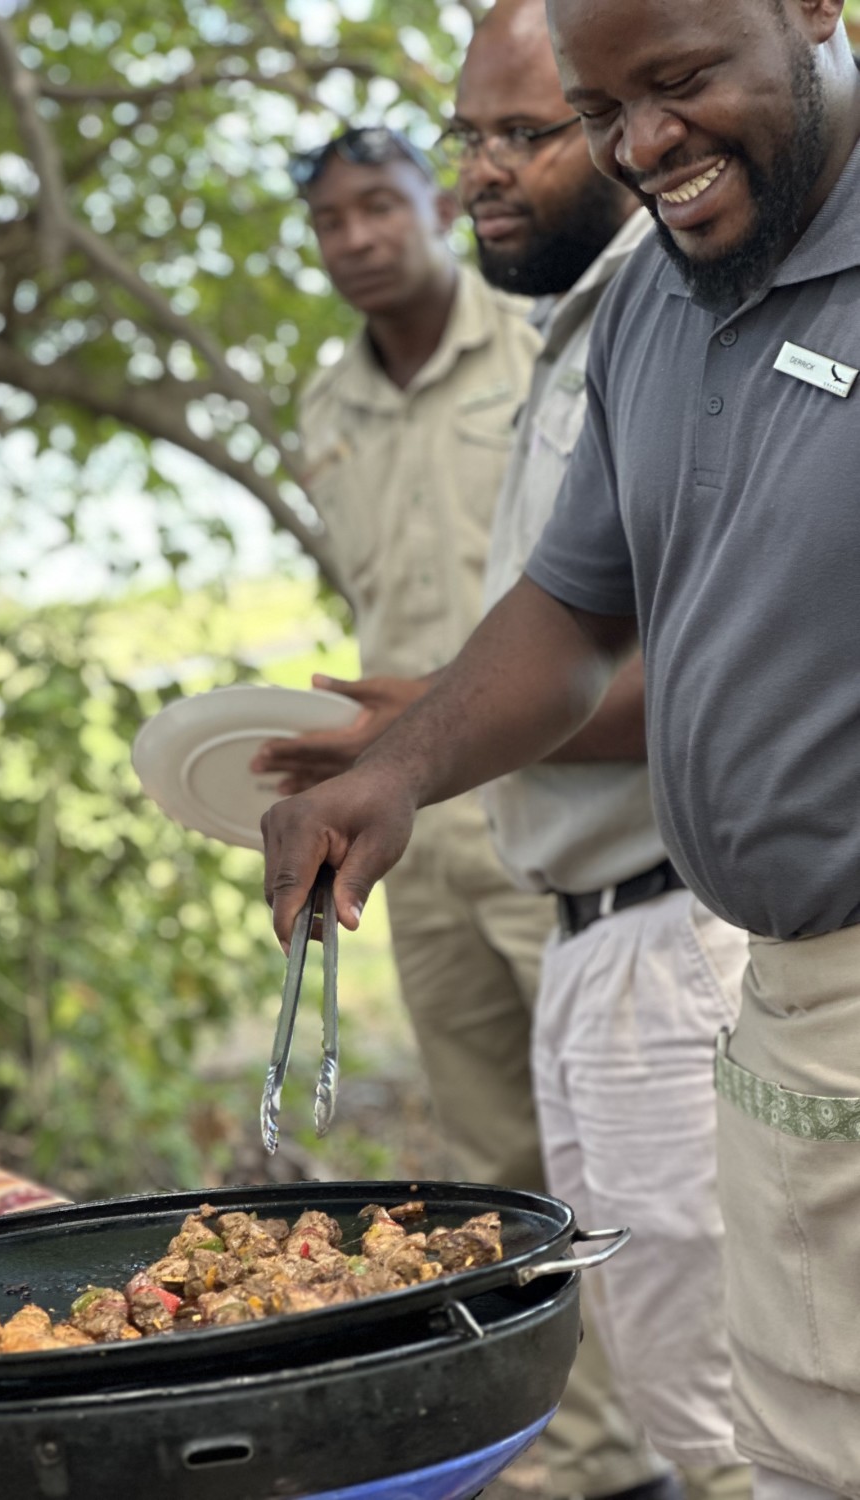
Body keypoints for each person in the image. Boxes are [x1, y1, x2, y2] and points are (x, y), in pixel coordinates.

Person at [261, 1, 860, 1497]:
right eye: (599, 109)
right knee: (782, 1446)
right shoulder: (656, 297)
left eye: (678, 83)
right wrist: (389, 773)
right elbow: (570, 605)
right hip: (783, 990)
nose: (641, 144)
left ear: (810, 11)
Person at [266, 123, 670, 1500]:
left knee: (619, 1154)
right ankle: (569, 1445)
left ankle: (661, 1451)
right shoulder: (328, 404)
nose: (358, 239)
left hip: (573, 803)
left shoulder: (546, 348)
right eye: (330, 222)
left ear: (433, 207)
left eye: (381, 206)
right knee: (494, 1159)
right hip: (418, 828)